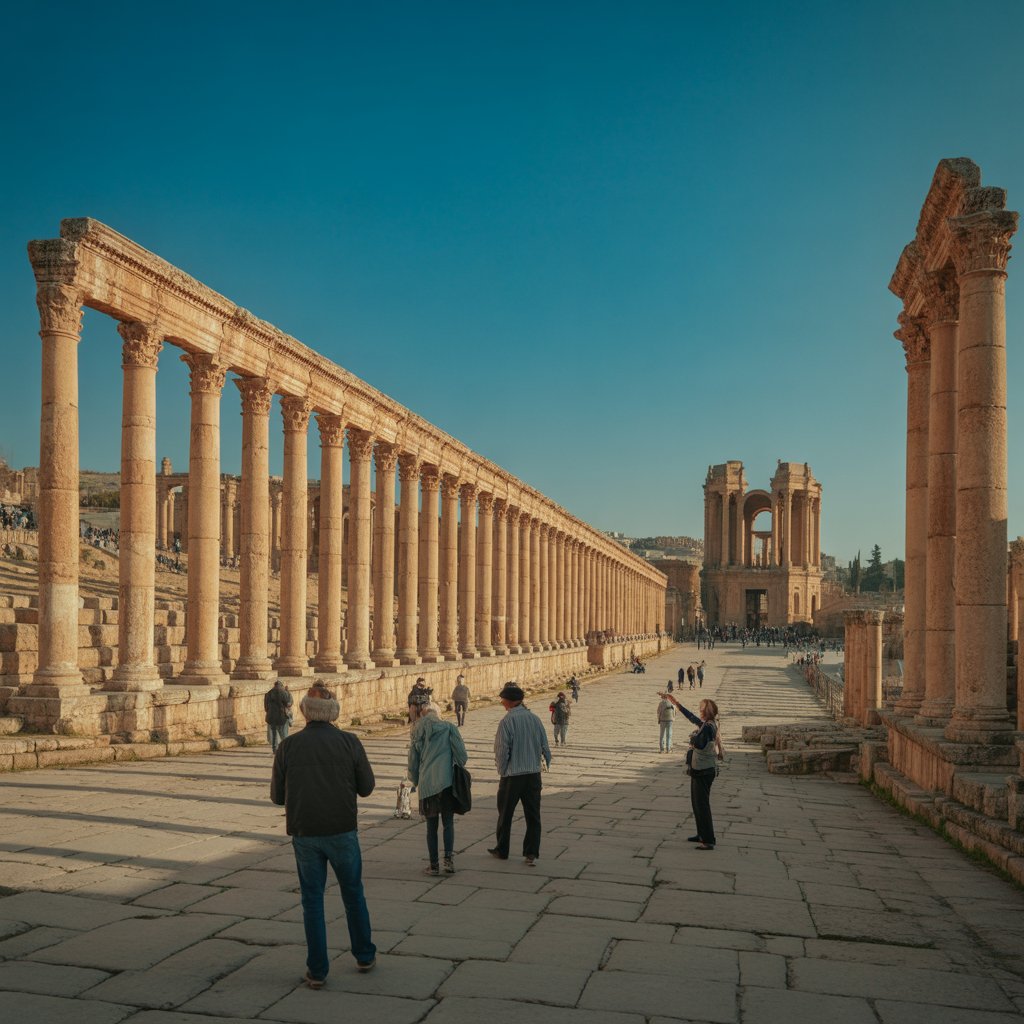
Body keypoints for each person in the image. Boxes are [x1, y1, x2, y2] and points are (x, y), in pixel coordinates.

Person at [270, 681, 377, 987]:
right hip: (342, 829)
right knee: (353, 893)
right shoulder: (350, 742)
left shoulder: (288, 746)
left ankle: (317, 970)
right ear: (333, 711)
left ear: (304, 712)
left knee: (312, 901)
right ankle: (364, 955)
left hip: (305, 831)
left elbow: (278, 796)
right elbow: (367, 788)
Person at [490, 682, 551, 866]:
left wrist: (502, 771)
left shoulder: (507, 721)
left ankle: (502, 849)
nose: (502, 703)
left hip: (513, 775)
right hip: (533, 774)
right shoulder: (535, 719)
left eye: (503, 700)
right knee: (533, 815)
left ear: (509, 702)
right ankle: (531, 853)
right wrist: (543, 764)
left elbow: (502, 750)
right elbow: (545, 747)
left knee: (505, 814)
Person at [408, 702, 468, 876]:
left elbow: (413, 760)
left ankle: (433, 866)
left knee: (431, 827)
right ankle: (448, 860)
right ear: (438, 713)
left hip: (427, 784)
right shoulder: (449, 728)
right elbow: (462, 757)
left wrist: (415, 780)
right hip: (447, 782)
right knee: (448, 823)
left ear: (424, 715)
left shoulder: (417, 731)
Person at [658, 693, 722, 850]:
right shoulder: (708, 724)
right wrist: (676, 703)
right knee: (696, 803)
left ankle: (708, 840)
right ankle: (701, 834)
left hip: (704, 770)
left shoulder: (708, 727)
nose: (699, 711)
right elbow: (692, 717)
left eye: (701, 709)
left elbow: (699, 744)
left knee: (702, 805)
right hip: (699, 769)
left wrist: (693, 738)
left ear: (706, 712)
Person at [263, 679, 293, 753]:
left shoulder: (268, 694)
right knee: (284, 735)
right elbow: (288, 704)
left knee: (274, 734)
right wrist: (288, 692)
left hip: (271, 717)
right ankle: (286, 749)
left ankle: (275, 749)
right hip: (281, 716)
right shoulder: (284, 693)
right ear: (281, 686)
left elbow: (266, 708)